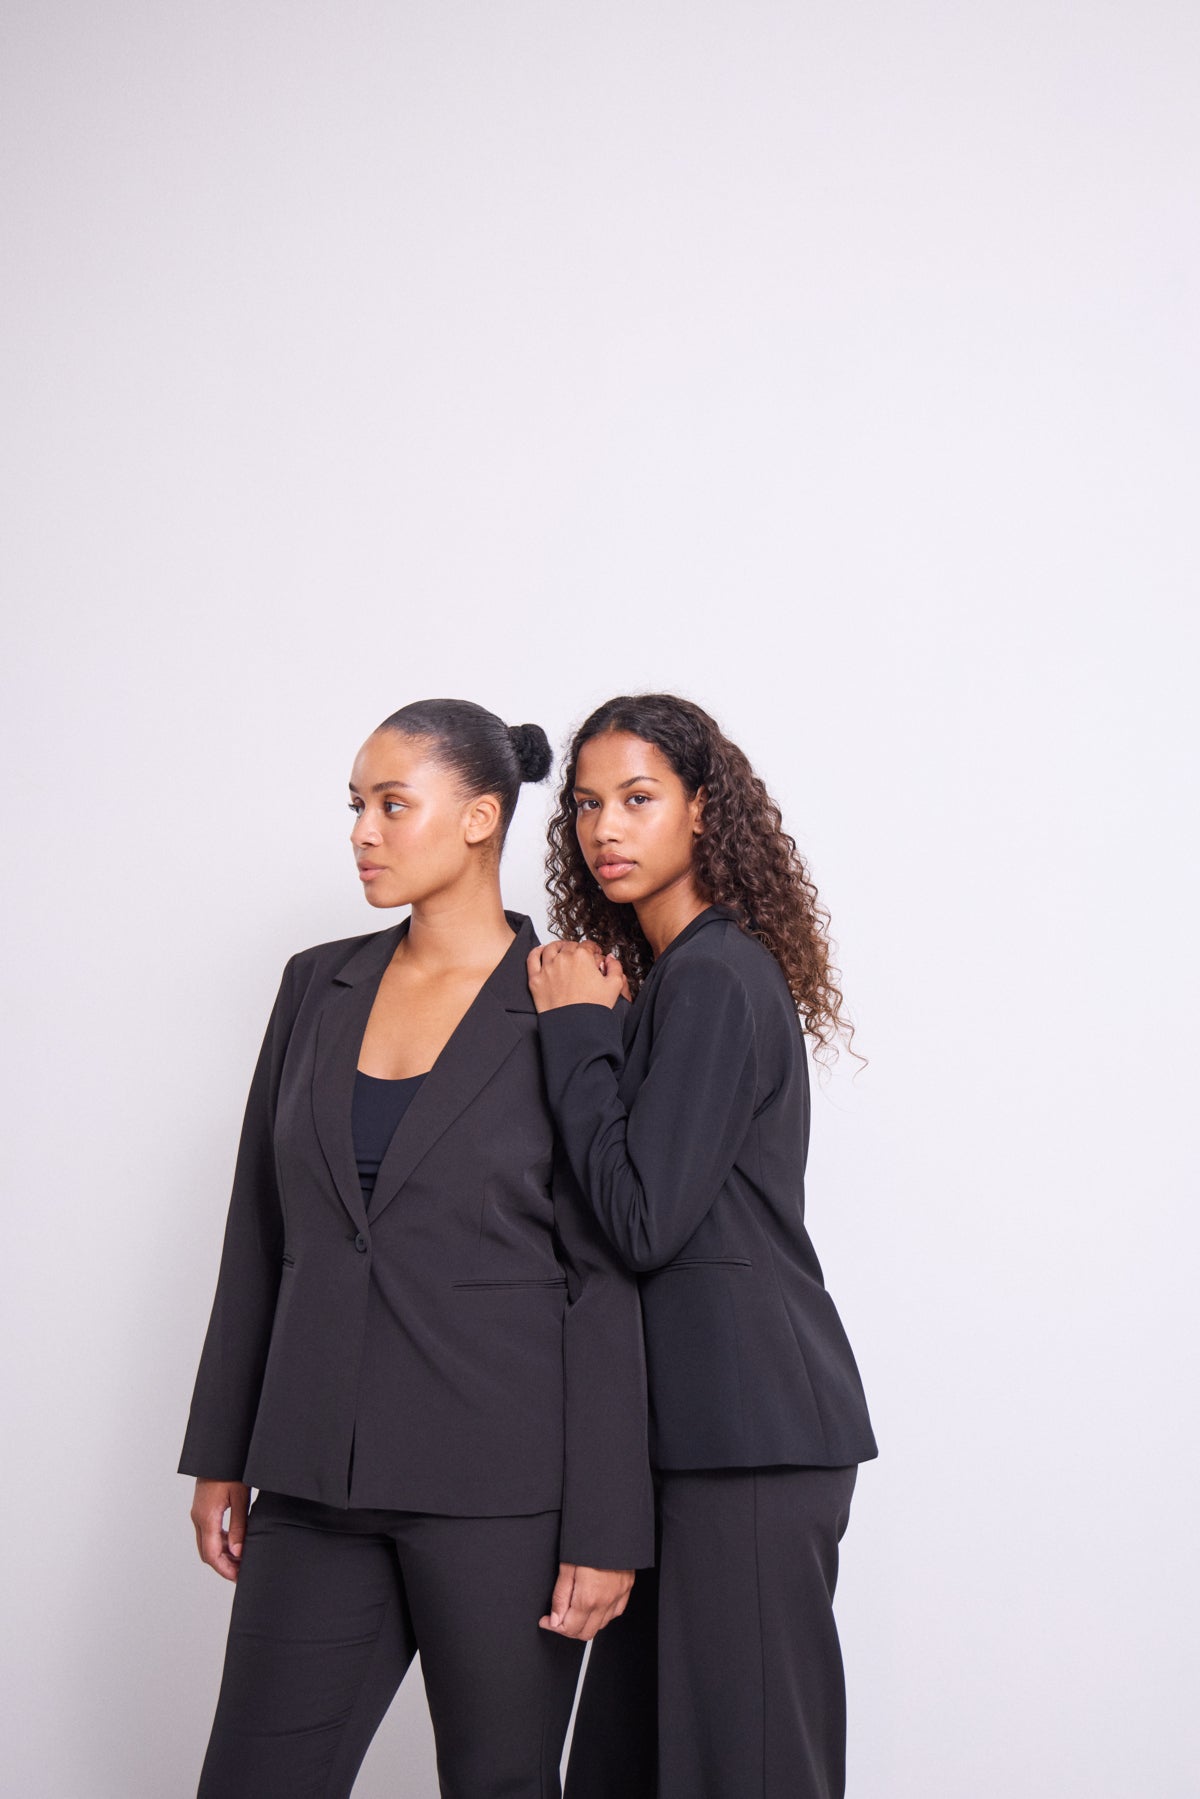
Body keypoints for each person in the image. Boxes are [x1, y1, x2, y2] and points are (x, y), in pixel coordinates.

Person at [180, 698, 653, 1799]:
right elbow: (260, 1227)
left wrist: (607, 1525)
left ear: (481, 816)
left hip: (504, 1492)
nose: (362, 831)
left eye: (393, 804)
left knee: (500, 1783)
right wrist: (222, 1448)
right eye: (356, 804)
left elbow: (604, 1279)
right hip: (314, 1475)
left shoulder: (574, 998)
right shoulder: (316, 984)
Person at [526, 692, 878, 1799]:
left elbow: (641, 1217)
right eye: (587, 805)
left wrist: (575, 1031)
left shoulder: (717, 977)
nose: (605, 828)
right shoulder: (669, 978)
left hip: (749, 1434)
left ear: (703, 810)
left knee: (748, 1766)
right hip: (688, 1436)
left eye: (638, 798)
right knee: (635, 1766)